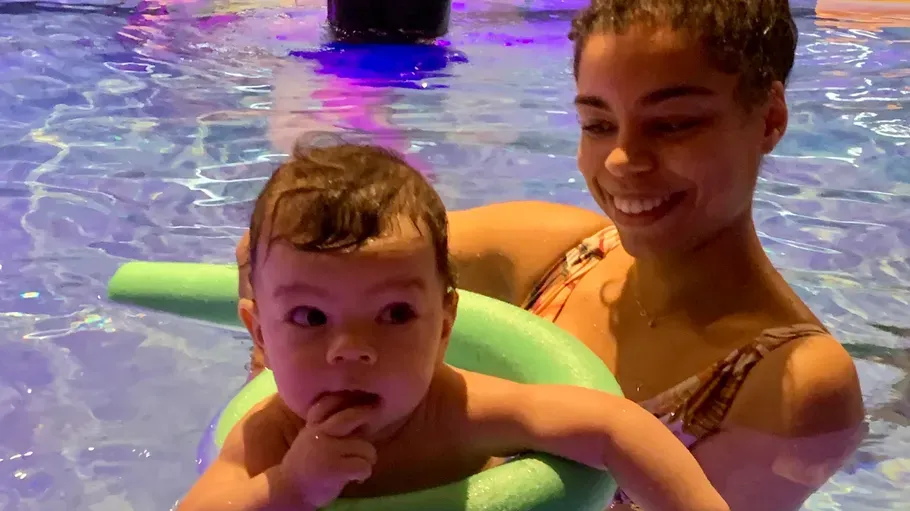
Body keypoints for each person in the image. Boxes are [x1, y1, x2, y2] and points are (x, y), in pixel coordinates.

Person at [238, 1, 867, 509]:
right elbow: (284, 252)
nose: (624, 160)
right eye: (597, 125)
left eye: (674, 124)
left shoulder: (798, 386)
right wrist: (287, 395)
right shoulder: (550, 249)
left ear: (770, 118)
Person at [180, 140, 730, 511]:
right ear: (261, 336)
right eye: (310, 317)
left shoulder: (463, 410)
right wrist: (291, 486)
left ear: (445, 326)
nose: (351, 349)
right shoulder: (270, 436)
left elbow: (613, 427)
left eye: (395, 314)